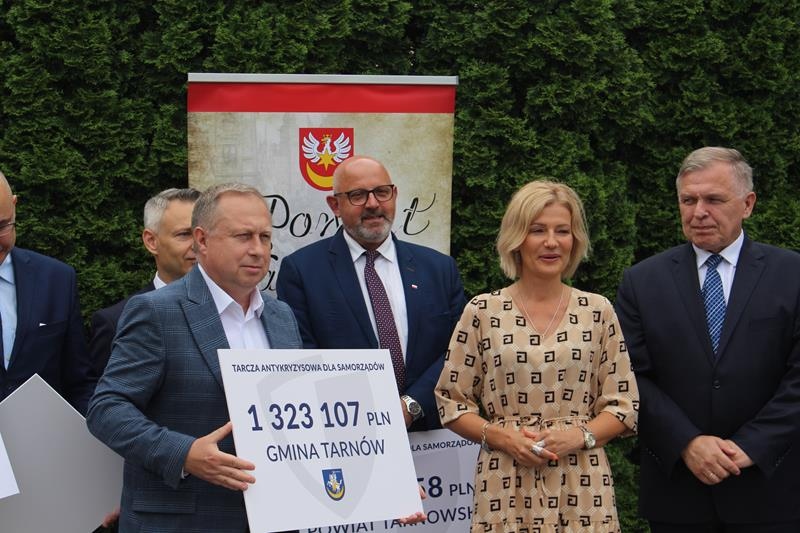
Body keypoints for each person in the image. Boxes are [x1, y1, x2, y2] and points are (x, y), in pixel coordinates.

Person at [87, 183, 303, 532]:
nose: (257, 249)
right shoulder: (156, 311)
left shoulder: (281, 316)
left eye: (264, 237)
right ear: (202, 240)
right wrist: (184, 454)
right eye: (243, 236)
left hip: (273, 518)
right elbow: (107, 409)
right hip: (183, 520)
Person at [615, 147, 800, 532]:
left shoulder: (792, 274)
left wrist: (751, 445)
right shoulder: (642, 281)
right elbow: (630, 376)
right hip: (679, 495)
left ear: (748, 204)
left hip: (772, 490)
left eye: (714, 199)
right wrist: (687, 442)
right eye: (688, 200)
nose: (698, 212)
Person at [436, 180, 638, 532]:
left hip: (582, 481)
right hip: (504, 479)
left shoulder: (597, 310)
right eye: (537, 230)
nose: (551, 242)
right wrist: (503, 437)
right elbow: (450, 402)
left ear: (575, 240)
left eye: (562, 231)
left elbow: (624, 406)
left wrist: (579, 436)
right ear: (516, 238)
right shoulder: (483, 311)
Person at [276, 155, 466, 431]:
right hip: (348, 434)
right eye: (358, 195)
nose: (373, 204)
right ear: (335, 205)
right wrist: (369, 412)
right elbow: (303, 356)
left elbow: (459, 350)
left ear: (394, 195)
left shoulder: (439, 268)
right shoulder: (302, 271)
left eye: (381, 192)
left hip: (431, 434)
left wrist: (411, 405)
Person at [0, 169, 95, 413]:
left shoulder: (57, 279)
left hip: (39, 435)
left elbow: (78, 382)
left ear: (14, 206)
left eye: (2, 226)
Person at [88, 187, 200, 377]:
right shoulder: (117, 321)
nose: (198, 245)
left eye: (204, 235)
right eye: (184, 234)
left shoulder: (242, 309)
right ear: (151, 241)